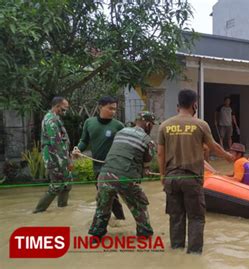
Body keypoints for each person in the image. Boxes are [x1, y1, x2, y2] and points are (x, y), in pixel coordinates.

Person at [158, 89, 233, 255]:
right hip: (192, 179)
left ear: (178, 106)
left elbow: (160, 154)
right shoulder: (200, 124)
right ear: (195, 105)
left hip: (171, 178)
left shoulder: (165, 125)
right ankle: (193, 255)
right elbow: (214, 147)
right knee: (196, 217)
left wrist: (163, 176)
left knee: (176, 217)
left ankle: (176, 251)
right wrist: (228, 157)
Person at [88, 111, 157, 239]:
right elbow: (147, 164)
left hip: (104, 176)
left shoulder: (121, 132)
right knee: (139, 205)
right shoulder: (148, 141)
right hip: (125, 178)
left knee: (102, 208)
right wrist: (146, 169)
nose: (152, 127)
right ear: (147, 124)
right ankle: (144, 235)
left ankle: (96, 236)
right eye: (152, 124)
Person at [72, 96, 125, 220]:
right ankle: (120, 220)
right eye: (110, 108)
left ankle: (108, 222)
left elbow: (124, 146)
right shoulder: (89, 123)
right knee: (107, 195)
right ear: (100, 107)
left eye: (115, 109)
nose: (113, 112)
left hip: (113, 166)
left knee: (107, 195)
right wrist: (78, 148)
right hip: (97, 166)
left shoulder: (119, 126)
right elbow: (84, 140)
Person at [34, 97, 73, 213]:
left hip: (61, 156)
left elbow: (62, 142)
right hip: (54, 158)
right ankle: (38, 211)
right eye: (64, 108)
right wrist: (67, 161)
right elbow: (56, 144)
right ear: (57, 106)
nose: (66, 111)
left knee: (67, 183)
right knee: (56, 185)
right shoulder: (50, 120)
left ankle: (63, 210)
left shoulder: (56, 119)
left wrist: (68, 156)